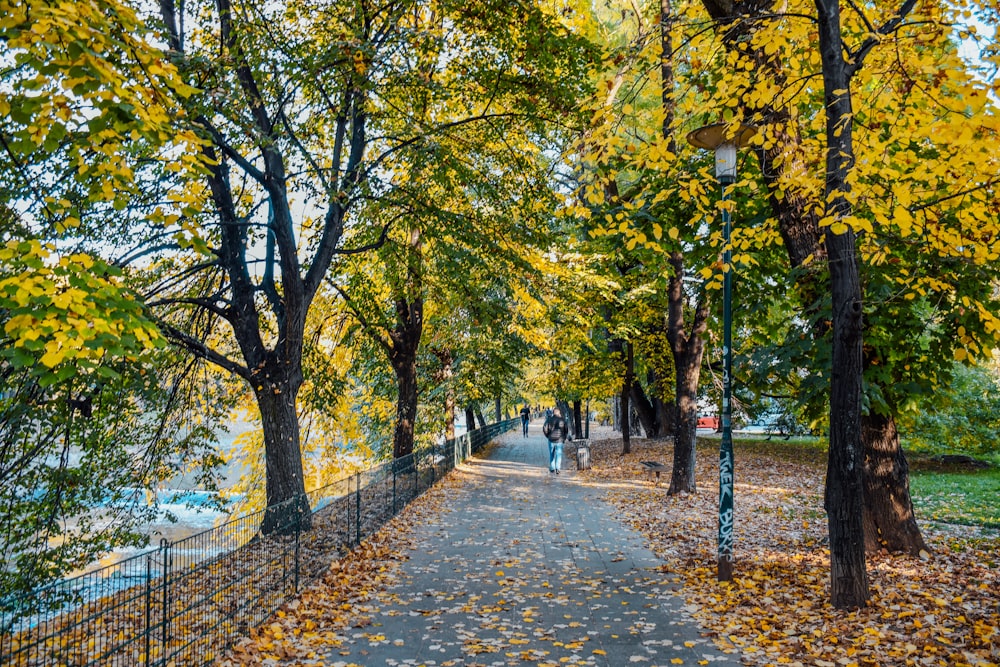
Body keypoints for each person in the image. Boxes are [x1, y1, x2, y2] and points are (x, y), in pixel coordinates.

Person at [542, 407, 568, 474]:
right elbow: (566, 430)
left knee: (551, 454)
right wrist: (564, 438)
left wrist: (548, 436)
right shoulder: (562, 420)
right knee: (559, 454)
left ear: (553, 412)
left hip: (551, 440)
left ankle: (552, 468)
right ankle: (558, 468)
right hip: (560, 440)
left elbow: (544, 428)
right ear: (559, 412)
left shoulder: (549, 419)